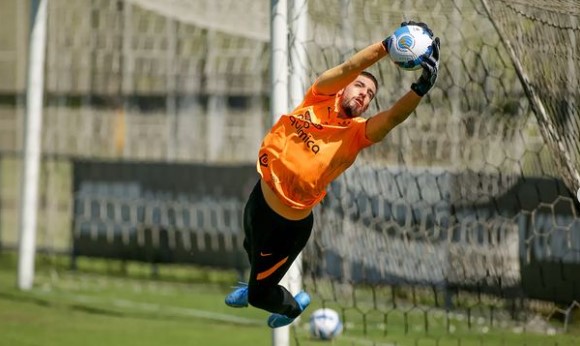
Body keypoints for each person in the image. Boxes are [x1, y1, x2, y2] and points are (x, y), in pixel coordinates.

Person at [225, 21, 441, 328]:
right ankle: (256, 283)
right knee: (250, 248)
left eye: (370, 95)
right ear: (343, 87)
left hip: (288, 225)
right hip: (259, 197)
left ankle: (290, 308)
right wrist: (386, 45)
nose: (365, 95)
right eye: (360, 87)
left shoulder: (356, 134)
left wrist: (420, 88)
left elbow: (393, 117)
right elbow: (353, 64)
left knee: (262, 295)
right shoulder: (318, 97)